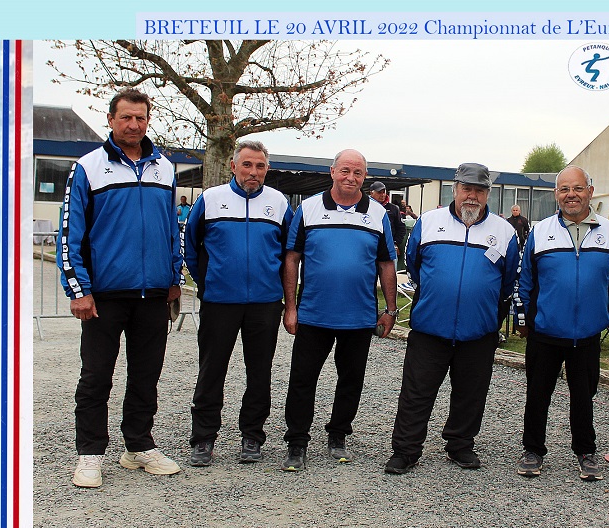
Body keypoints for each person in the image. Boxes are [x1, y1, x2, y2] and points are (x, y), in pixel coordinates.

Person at [57, 88, 183, 488]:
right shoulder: (88, 168)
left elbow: (170, 231)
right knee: (96, 377)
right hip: (105, 295)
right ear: (110, 120)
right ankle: (90, 454)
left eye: (141, 118)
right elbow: (69, 234)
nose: (134, 125)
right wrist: (78, 289)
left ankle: (138, 446)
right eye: (126, 117)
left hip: (152, 295)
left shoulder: (164, 167)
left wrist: (174, 279)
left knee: (146, 375)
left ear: (148, 120)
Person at [385, 163, 520, 475]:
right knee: (416, 393)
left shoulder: (504, 231)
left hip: (478, 331)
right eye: (466, 188)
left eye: (480, 190)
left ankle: (460, 445)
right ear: (455, 189)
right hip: (431, 329)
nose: (472, 195)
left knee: (471, 394)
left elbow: (508, 279)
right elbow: (415, 266)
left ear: (488, 194)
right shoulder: (429, 223)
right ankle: (406, 451)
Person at [280, 149, 398, 471]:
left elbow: (386, 262)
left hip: (358, 317)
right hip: (314, 314)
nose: (351, 177)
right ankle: (297, 442)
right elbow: (292, 258)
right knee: (302, 379)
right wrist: (290, 307)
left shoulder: (378, 214)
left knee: (351, 380)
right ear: (332, 171)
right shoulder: (308, 209)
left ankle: (338, 435)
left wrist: (390, 309)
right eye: (345, 170)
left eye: (358, 173)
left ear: (365, 177)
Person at [515, 165, 609, 482]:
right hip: (546, 331)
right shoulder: (540, 231)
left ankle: (585, 452)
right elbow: (525, 279)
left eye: (577, 188)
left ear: (590, 191)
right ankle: (533, 450)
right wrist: (524, 317)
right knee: (538, 395)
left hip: (588, 333)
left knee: (584, 396)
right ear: (556, 194)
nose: (571, 195)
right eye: (564, 189)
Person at [184, 140, 293, 467]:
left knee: (259, 372)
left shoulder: (279, 202)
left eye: (260, 166)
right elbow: (190, 246)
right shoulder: (210, 199)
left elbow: (290, 252)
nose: (253, 172)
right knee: (211, 371)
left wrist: (287, 300)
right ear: (233, 166)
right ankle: (203, 438)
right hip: (220, 302)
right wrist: (207, 283)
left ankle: (252, 436)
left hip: (265, 303)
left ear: (266, 169)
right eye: (247, 165)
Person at [370, 181, 406, 262]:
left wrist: (395, 243)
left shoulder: (394, 208)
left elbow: (401, 228)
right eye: (379, 192)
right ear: (371, 193)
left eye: (384, 192)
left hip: (389, 247)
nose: (382, 195)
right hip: (371, 247)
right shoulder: (366, 207)